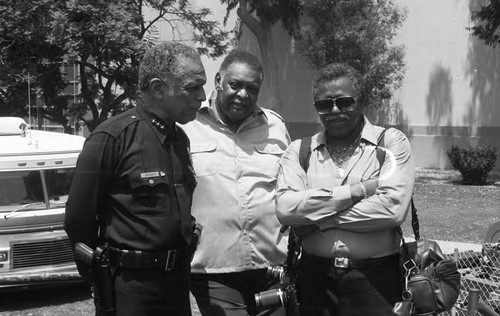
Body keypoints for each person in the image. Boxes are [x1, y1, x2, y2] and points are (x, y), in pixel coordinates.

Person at [64, 41, 207, 316]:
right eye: (193, 87)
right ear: (157, 88)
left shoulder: (179, 139)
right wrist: (99, 277)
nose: (202, 96)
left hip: (176, 284)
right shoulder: (112, 137)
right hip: (129, 288)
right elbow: (77, 219)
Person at [275, 63, 415, 316]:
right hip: (314, 278)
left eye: (345, 101)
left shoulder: (390, 144)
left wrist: (318, 221)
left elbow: (392, 209)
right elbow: (286, 208)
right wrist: (357, 191)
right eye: (324, 104)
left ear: (361, 102)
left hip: (375, 280)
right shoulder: (299, 151)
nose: (335, 110)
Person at [182, 50, 291, 316]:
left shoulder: (275, 126)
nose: (243, 94)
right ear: (219, 80)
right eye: (235, 85)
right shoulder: (186, 126)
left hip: (273, 264)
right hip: (214, 267)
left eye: (252, 88)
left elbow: (291, 187)